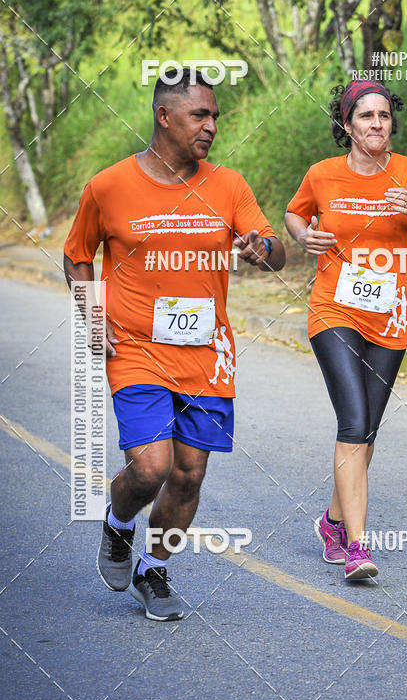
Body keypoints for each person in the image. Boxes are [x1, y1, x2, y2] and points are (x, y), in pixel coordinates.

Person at [64, 68, 285, 621]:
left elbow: (275, 249)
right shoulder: (108, 186)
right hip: (137, 347)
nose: (211, 125)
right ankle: (119, 525)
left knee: (188, 473)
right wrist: (93, 315)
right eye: (199, 115)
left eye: (215, 116)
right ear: (165, 117)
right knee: (150, 468)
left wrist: (264, 249)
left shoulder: (228, 184)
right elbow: (76, 255)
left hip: (207, 354)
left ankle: (153, 571)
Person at [285, 80, 407, 581]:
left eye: (383, 116)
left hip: (389, 315)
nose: (376, 123)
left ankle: (333, 521)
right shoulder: (323, 175)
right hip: (334, 309)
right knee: (353, 423)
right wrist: (305, 236)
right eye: (365, 116)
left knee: (368, 430)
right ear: (346, 125)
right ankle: (359, 546)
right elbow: (295, 213)